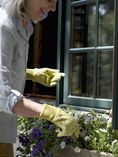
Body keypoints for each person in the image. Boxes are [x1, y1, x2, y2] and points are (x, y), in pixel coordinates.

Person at [0, 0, 79, 156]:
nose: (54, 8)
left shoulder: (26, 26)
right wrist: (51, 113)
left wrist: (29, 74)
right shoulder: (3, 26)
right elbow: (2, 95)